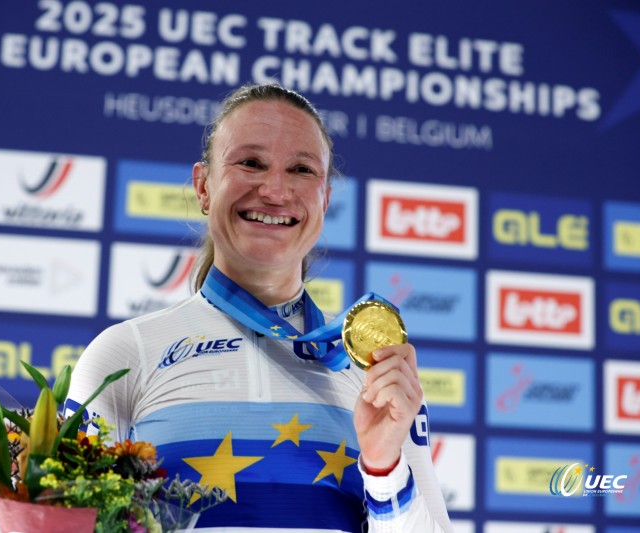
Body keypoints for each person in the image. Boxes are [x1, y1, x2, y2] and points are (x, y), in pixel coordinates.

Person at [66, 83, 452, 532]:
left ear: (324, 200)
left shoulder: (375, 372)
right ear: (203, 186)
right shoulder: (125, 355)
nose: (274, 189)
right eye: (250, 162)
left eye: (302, 170)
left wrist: (385, 468)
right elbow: (62, 519)